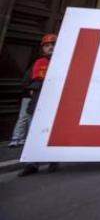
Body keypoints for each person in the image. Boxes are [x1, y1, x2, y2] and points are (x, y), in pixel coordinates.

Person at [18, 34, 60, 177]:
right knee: (33, 134)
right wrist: (32, 89)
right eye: (47, 45)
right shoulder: (37, 63)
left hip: (55, 103)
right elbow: (26, 81)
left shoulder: (63, 61)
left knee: (53, 132)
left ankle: (53, 160)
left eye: (53, 44)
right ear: (43, 48)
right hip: (37, 103)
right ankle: (31, 164)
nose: (51, 47)